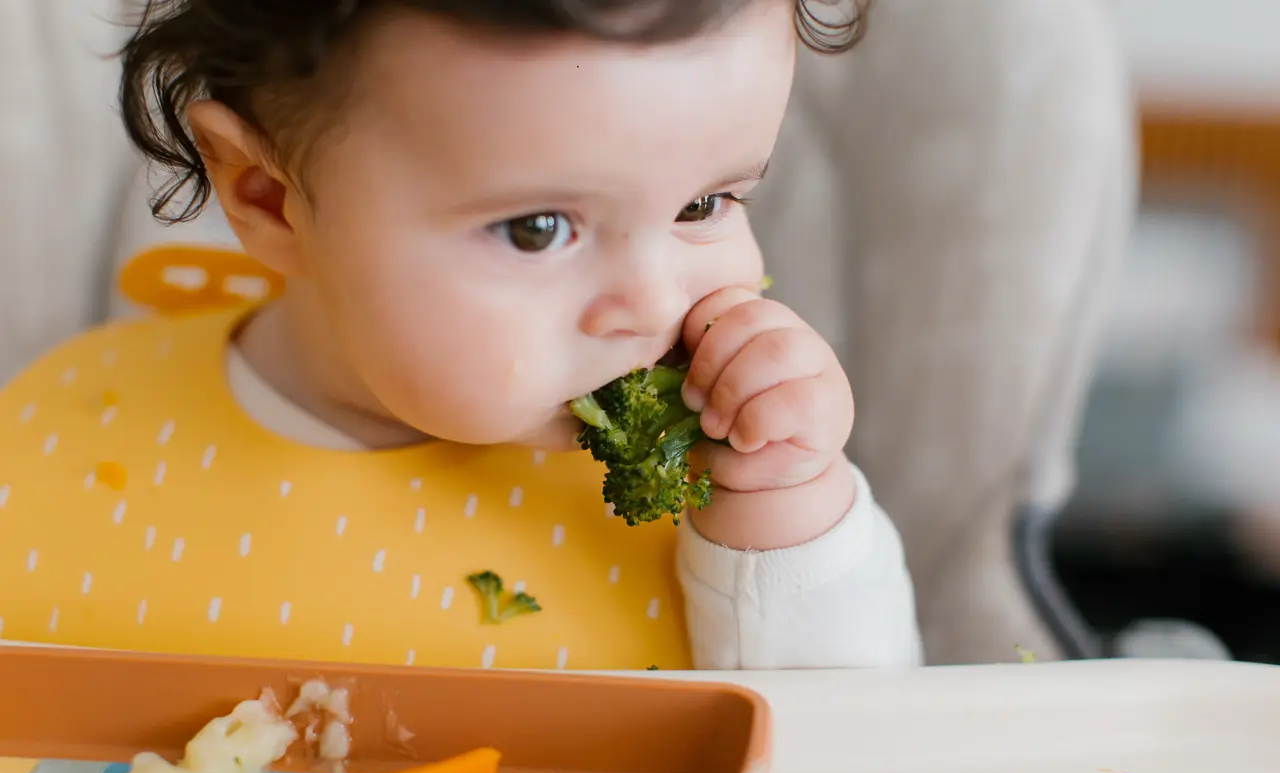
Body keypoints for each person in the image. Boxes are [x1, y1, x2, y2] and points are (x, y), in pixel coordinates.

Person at [0, 0, 922, 671]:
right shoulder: (62, 427)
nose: (649, 302)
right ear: (268, 197)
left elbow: (855, 756)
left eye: (703, 203)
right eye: (537, 229)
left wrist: (787, 517)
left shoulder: (729, 497)